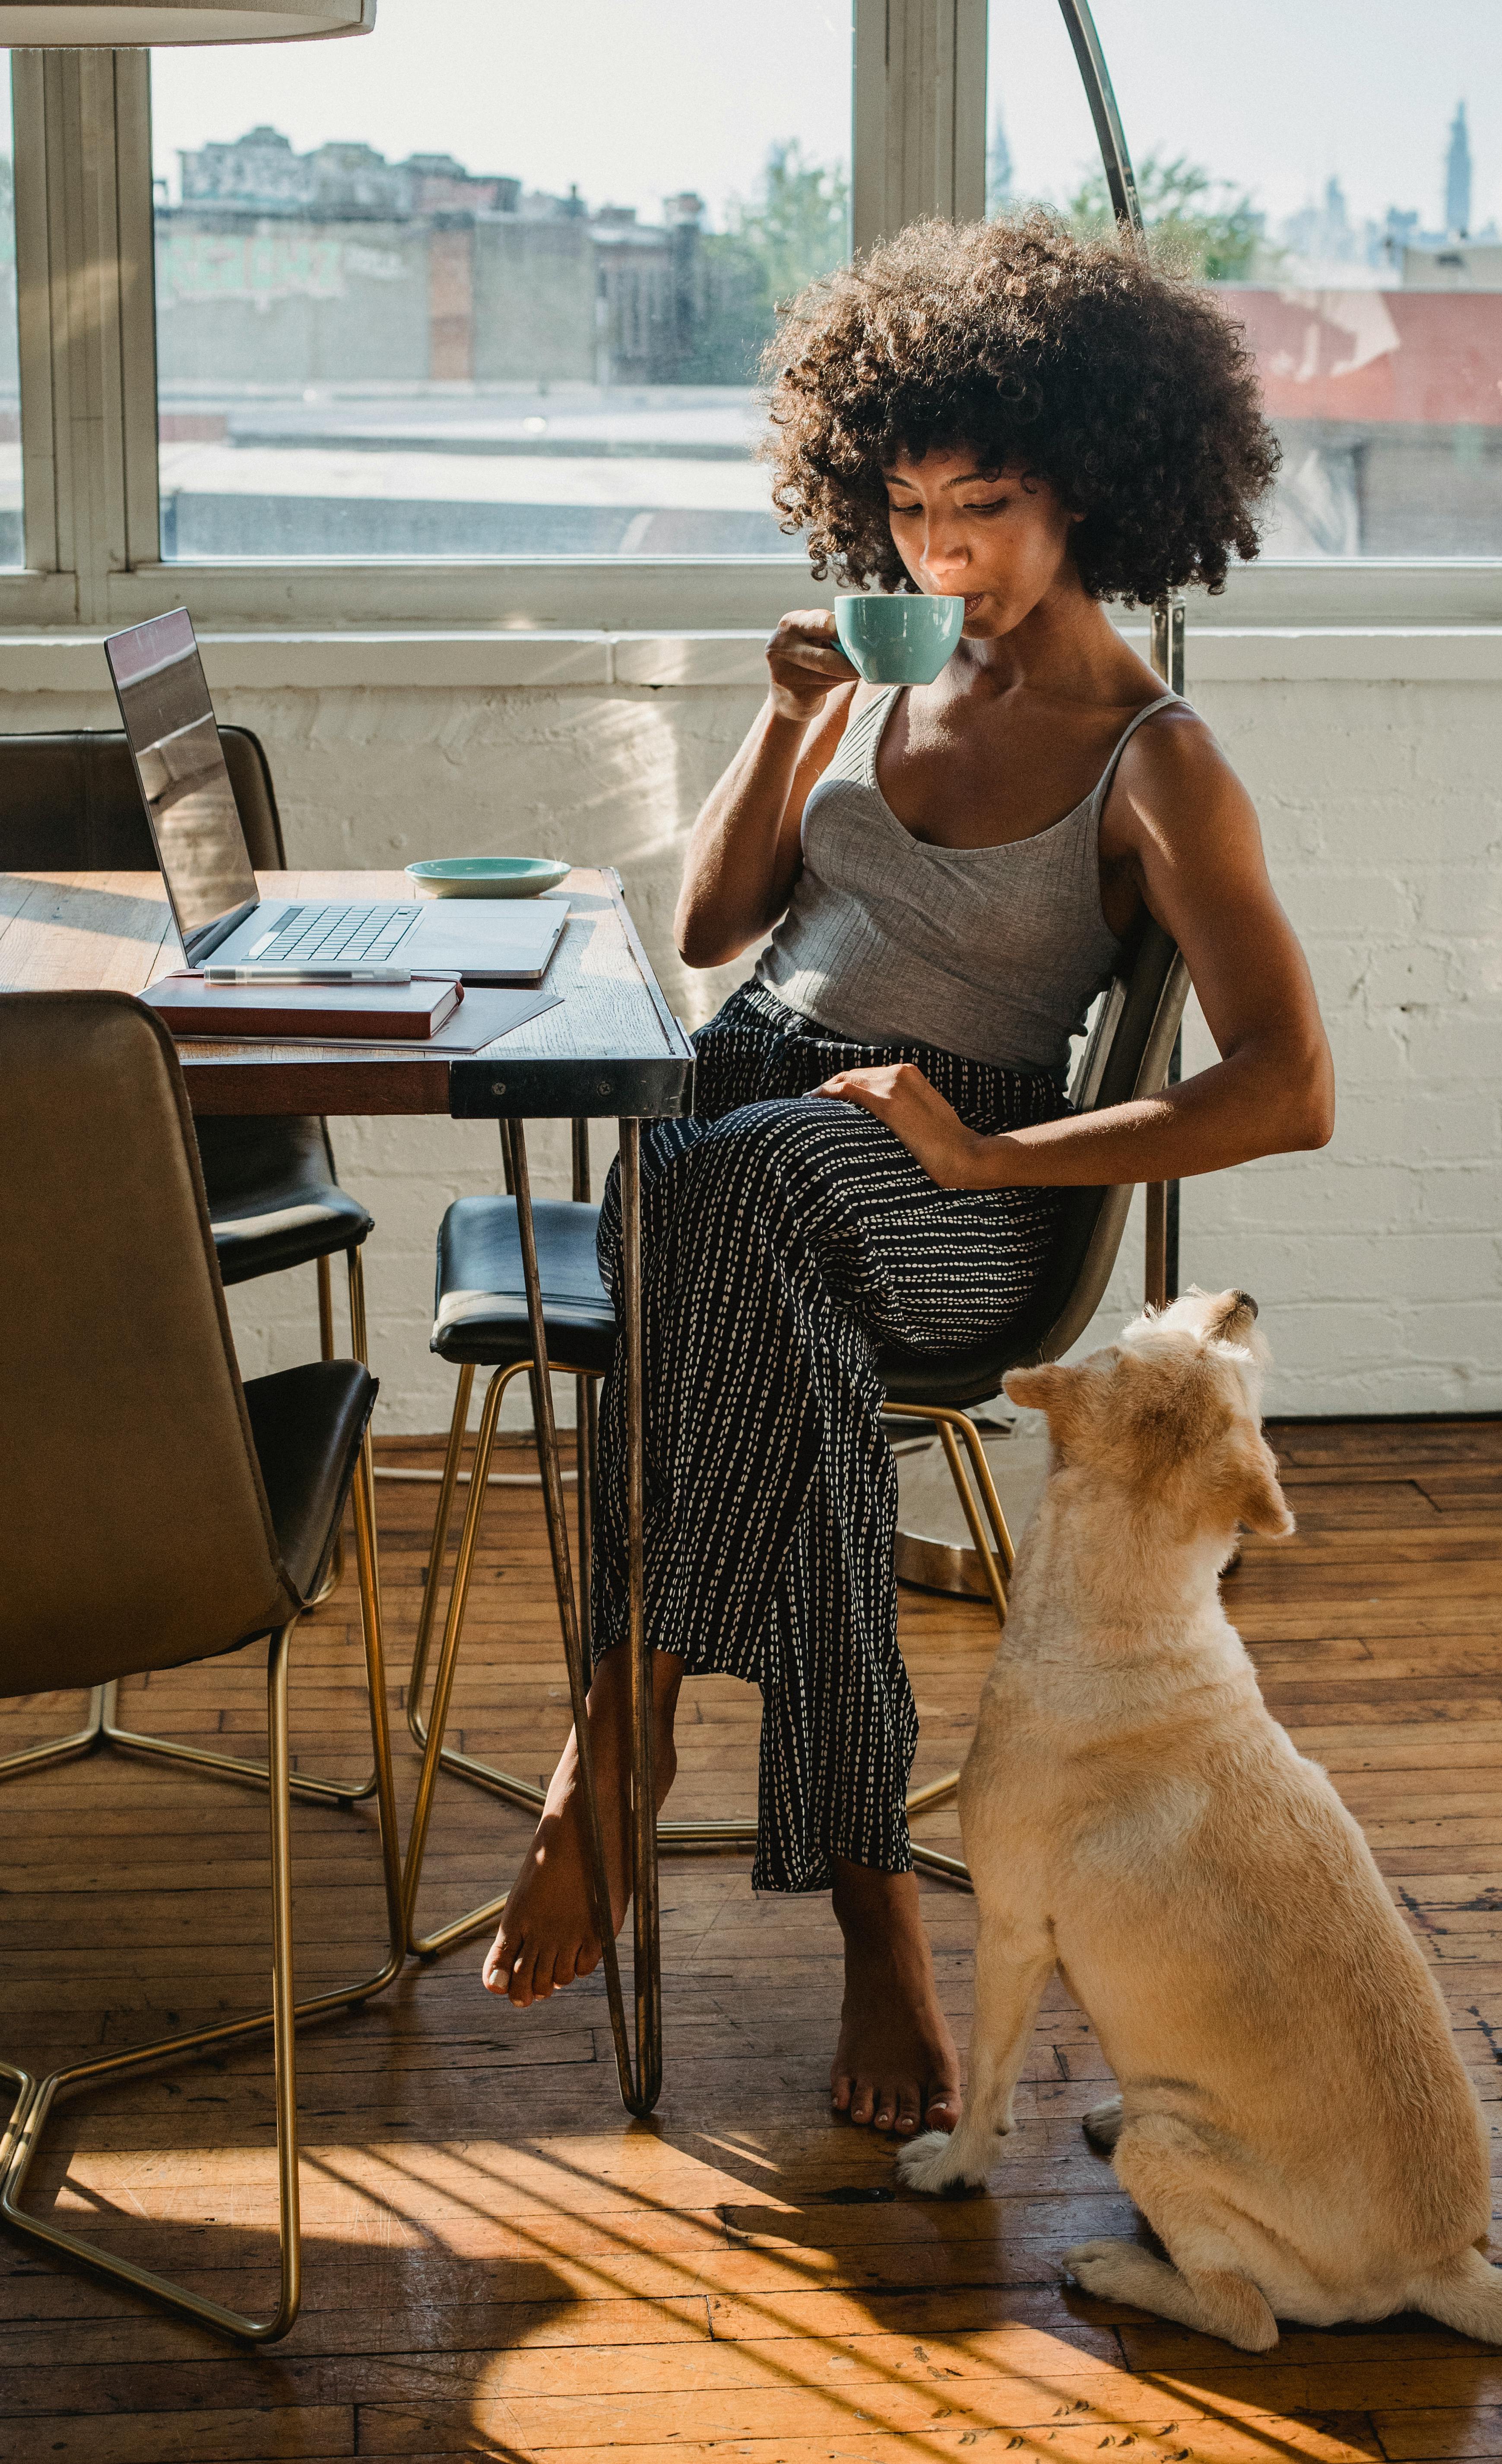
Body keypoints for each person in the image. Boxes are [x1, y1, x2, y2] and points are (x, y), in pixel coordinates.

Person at [482, 213, 1334, 2139]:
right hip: (752, 1130)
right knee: (721, 1190)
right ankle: (864, 1902)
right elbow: (710, 931)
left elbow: (1288, 1086)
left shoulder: (1155, 756)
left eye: (986, 506)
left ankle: (621, 1730)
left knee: (735, 1197)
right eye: (910, 508)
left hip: (953, 1179)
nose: (940, 551)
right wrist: (784, 727)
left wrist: (987, 1144)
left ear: (1092, 486)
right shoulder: (869, 678)